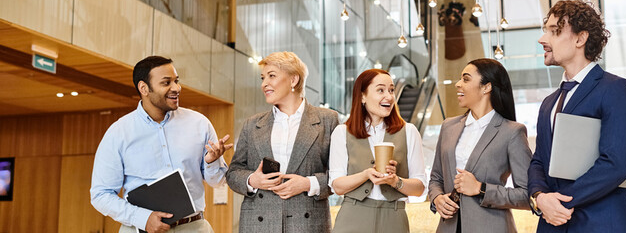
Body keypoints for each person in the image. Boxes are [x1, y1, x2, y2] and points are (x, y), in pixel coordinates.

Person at [527, 0, 626, 232]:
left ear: (580, 39)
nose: (542, 39)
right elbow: (539, 160)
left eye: (554, 31)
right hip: (553, 224)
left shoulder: (615, 89)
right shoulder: (548, 103)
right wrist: (539, 197)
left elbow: (616, 164)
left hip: (601, 223)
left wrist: (559, 201)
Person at [90, 56, 231, 233]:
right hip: (140, 229)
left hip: (194, 227)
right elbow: (100, 195)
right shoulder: (118, 133)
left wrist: (212, 161)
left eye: (176, 81)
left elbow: (218, 181)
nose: (176, 88)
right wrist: (142, 218)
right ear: (144, 88)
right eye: (166, 83)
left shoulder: (199, 124)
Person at [225, 52, 339, 232]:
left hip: (308, 224)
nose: (264, 84)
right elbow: (233, 173)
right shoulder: (252, 124)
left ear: (293, 80)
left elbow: (340, 176)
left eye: (271, 76)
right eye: (262, 78)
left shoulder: (328, 120)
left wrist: (308, 183)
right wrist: (253, 180)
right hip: (258, 224)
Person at [428, 58, 532, 233]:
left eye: (466, 79)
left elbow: (527, 195)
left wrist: (481, 189)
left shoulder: (512, 132)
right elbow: (436, 178)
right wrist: (437, 198)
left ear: (486, 87)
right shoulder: (448, 127)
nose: (458, 84)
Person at [329, 69, 427, 233]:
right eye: (380, 90)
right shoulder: (342, 132)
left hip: (394, 218)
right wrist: (366, 174)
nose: (389, 96)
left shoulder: (409, 131)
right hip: (352, 216)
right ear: (362, 96)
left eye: (391, 90)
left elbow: (419, 188)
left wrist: (395, 181)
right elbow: (337, 186)